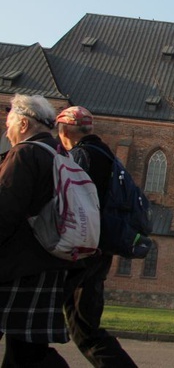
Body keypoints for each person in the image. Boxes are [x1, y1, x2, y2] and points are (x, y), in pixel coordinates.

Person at [56, 106, 138, 367]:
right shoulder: (106, 154)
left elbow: (72, 205)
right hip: (101, 249)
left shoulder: (79, 157)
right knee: (85, 328)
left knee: (39, 323)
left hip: (82, 252)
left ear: (65, 130)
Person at [0, 94, 71, 367]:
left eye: (10, 124)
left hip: (15, 267)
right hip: (47, 264)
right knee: (28, 354)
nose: (7, 131)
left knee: (27, 355)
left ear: (25, 125)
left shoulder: (25, 154)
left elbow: (5, 208)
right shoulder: (61, 156)